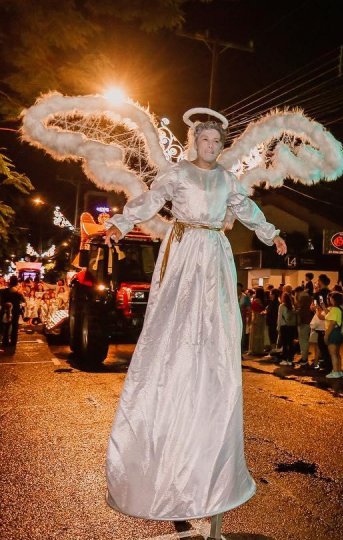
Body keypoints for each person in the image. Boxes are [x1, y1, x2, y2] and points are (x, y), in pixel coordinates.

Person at [101, 120, 287, 525]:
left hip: (214, 250)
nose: (209, 145)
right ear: (193, 143)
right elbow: (150, 200)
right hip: (184, 247)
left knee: (217, 320)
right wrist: (120, 222)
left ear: (221, 145)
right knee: (175, 317)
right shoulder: (178, 174)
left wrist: (271, 234)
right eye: (203, 139)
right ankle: (174, 354)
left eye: (216, 140)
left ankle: (209, 359)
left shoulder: (227, 179)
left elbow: (247, 209)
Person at [323, 291, 343, 379]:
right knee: (337, 353)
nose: (330, 299)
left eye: (331, 298)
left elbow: (332, 323)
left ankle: (335, 371)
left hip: (333, 332)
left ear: (334, 299)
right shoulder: (340, 308)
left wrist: (326, 335)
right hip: (339, 332)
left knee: (333, 353)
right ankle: (339, 370)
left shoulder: (335, 309)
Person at [0, 276, 25, 349]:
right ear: (17, 282)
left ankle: (5, 341)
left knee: (6, 326)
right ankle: (13, 342)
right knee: (14, 326)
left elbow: (1, 302)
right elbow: (23, 300)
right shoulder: (18, 292)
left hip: (6, 310)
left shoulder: (4, 291)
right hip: (15, 310)